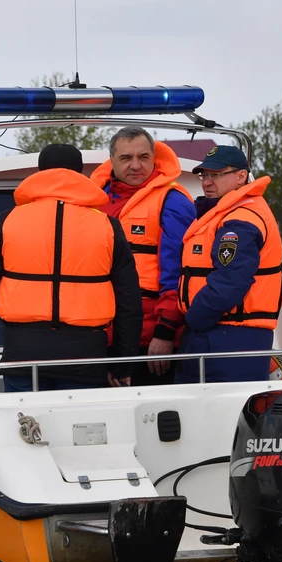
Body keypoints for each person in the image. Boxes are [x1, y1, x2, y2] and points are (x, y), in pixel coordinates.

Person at [0, 143, 142, 391]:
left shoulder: (9, 220)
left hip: (22, 357)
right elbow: (129, 302)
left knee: (23, 429)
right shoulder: (108, 226)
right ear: (80, 175)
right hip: (86, 360)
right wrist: (122, 366)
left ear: (40, 173)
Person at [90, 127, 196, 386]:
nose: (136, 165)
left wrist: (165, 333)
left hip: (149, 340)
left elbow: (180, 273)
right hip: (99, 337)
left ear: (153, 158)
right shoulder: (92, 201)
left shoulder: (172, 201)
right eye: (126, 158)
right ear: (112, 160)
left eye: (143, 157)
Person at [175, 145, 282, 384]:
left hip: (230, 338)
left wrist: (194, 320)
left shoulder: (240, 221)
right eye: (204, 175)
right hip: (222, 334)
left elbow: (230, 282)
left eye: (216, 175)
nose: (207, 182)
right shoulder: (226, 213)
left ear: (241, 177)